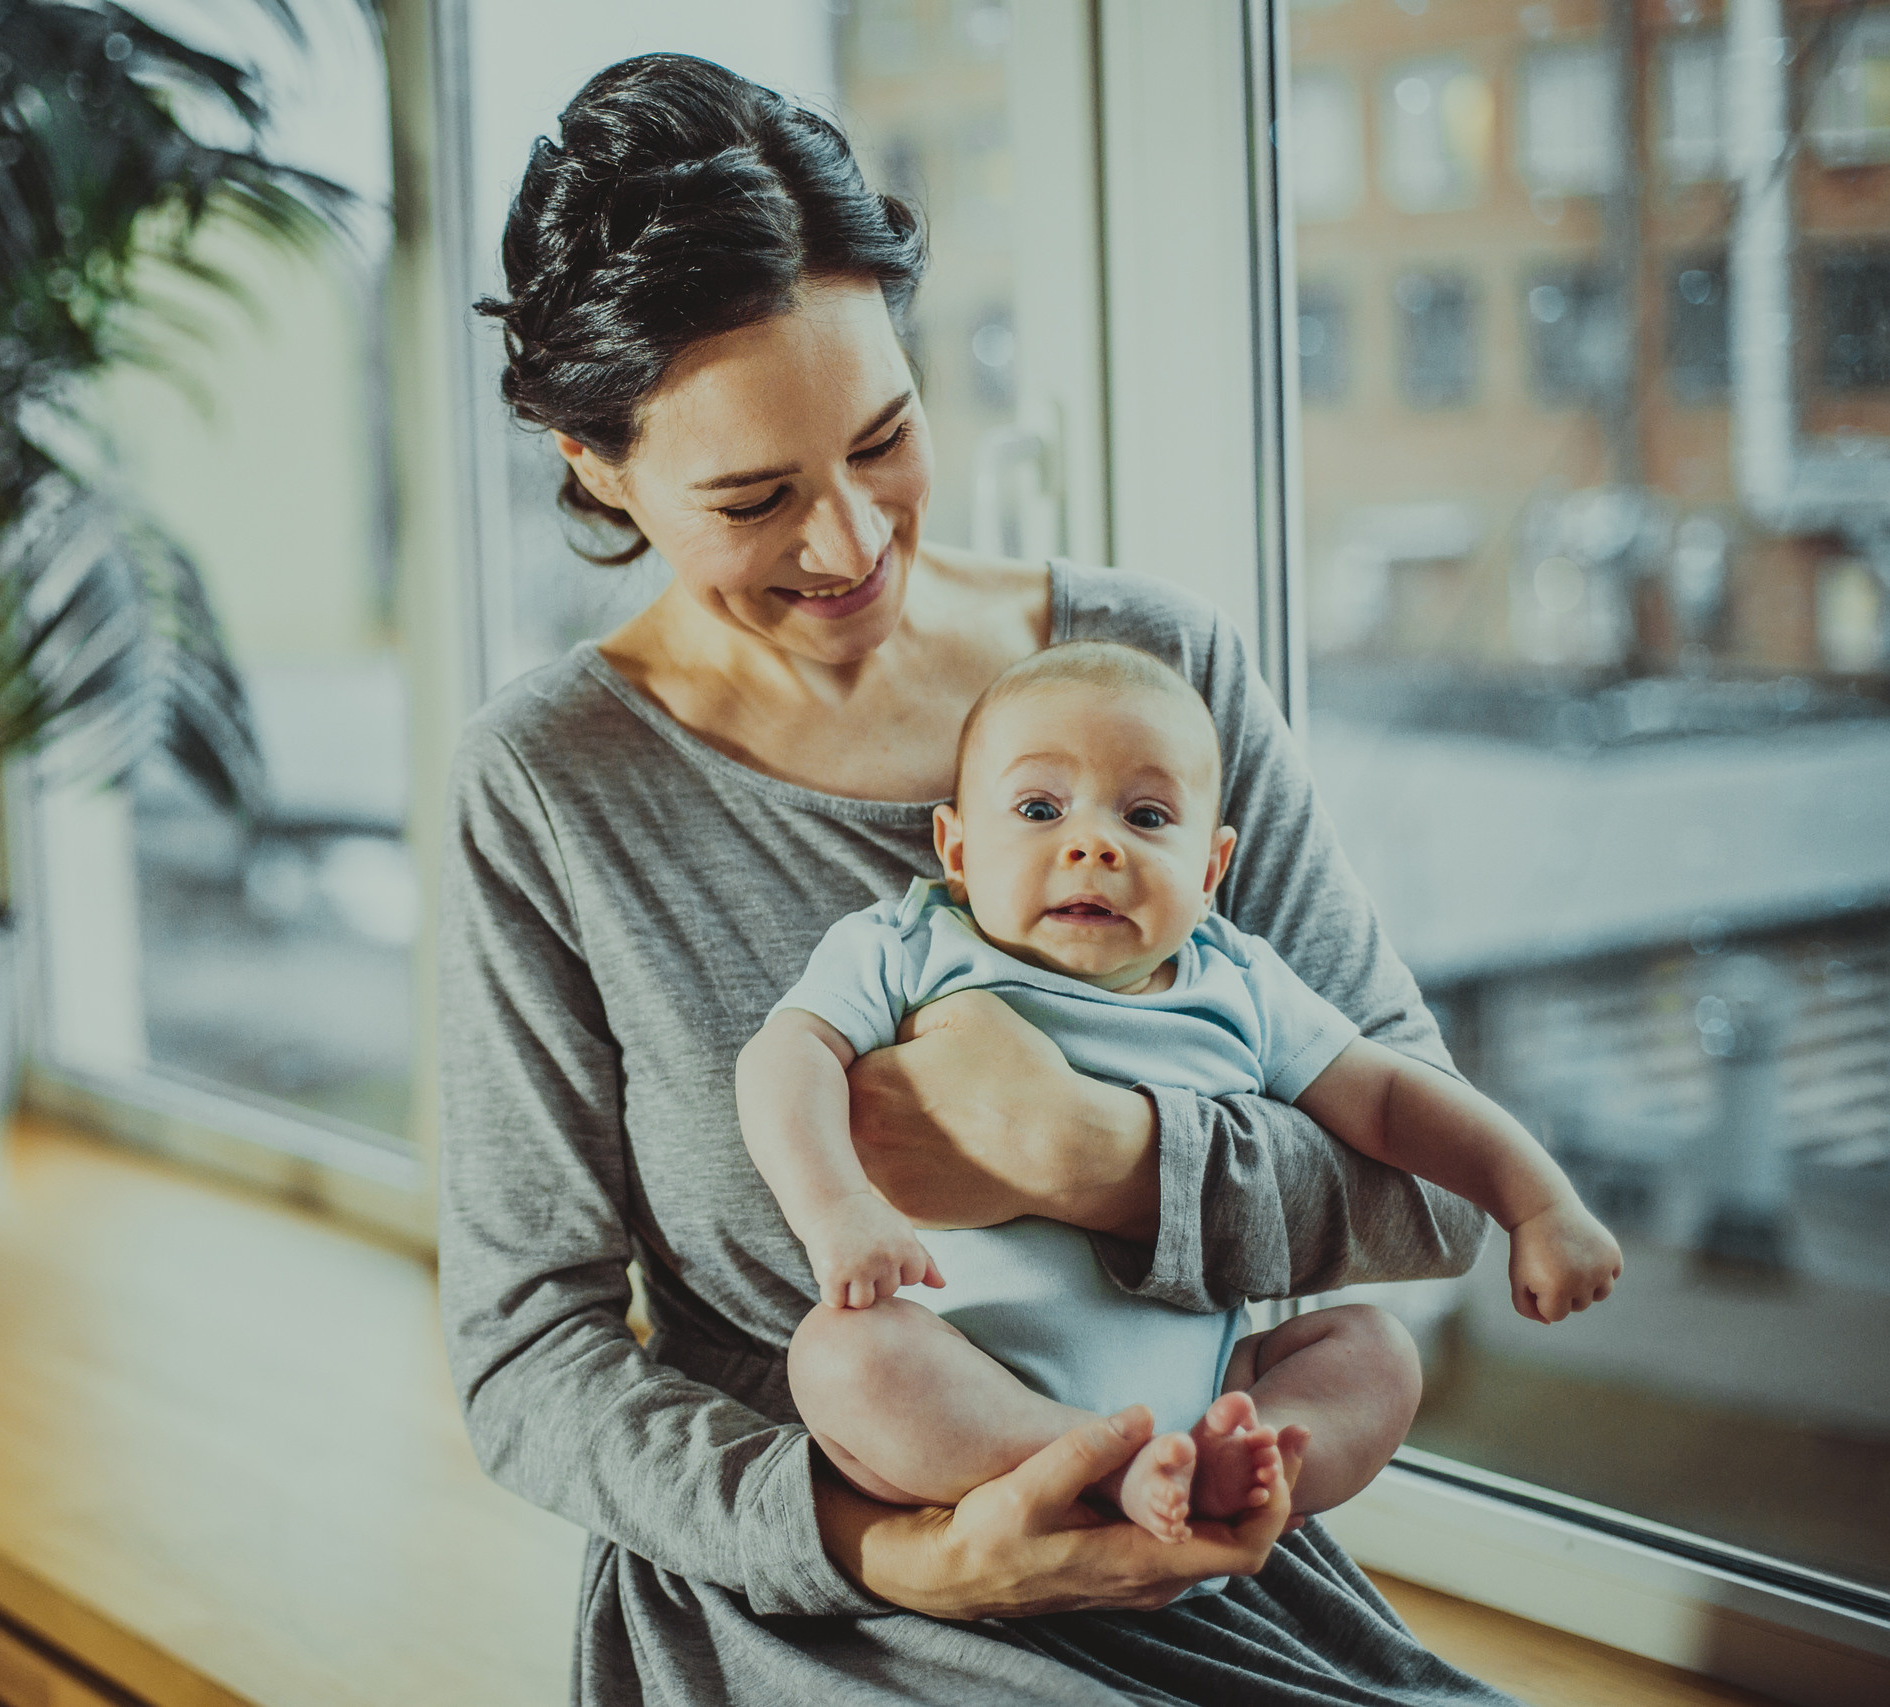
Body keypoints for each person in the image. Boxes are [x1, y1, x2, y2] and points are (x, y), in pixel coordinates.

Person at [442, 51, 1517, 1705]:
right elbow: (532, 1356)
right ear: (596, 465)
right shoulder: (553, 787)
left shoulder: (1156, 676)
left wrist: (1100, 1156)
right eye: (754, 498)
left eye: (885, 438)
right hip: (809, 1596)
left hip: (1201, 1537)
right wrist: (901, 1544)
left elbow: (1436, 1185)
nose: (852, 540)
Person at [741, 641, 1623, 1544]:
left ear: (1208, 869)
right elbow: (785, 1055)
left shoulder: (1238, 981)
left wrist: (1537, 1200)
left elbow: (1394, 1099)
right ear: (956, 846)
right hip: (963, 1380)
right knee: (841, 1356)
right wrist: (835, 1208)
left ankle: (1236, 1470)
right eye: (1039, 807)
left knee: (1376, 1355)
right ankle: (1102, 1462)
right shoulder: (910, 943)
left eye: (1148, 814)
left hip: (1204, 1396)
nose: (1092, 843)